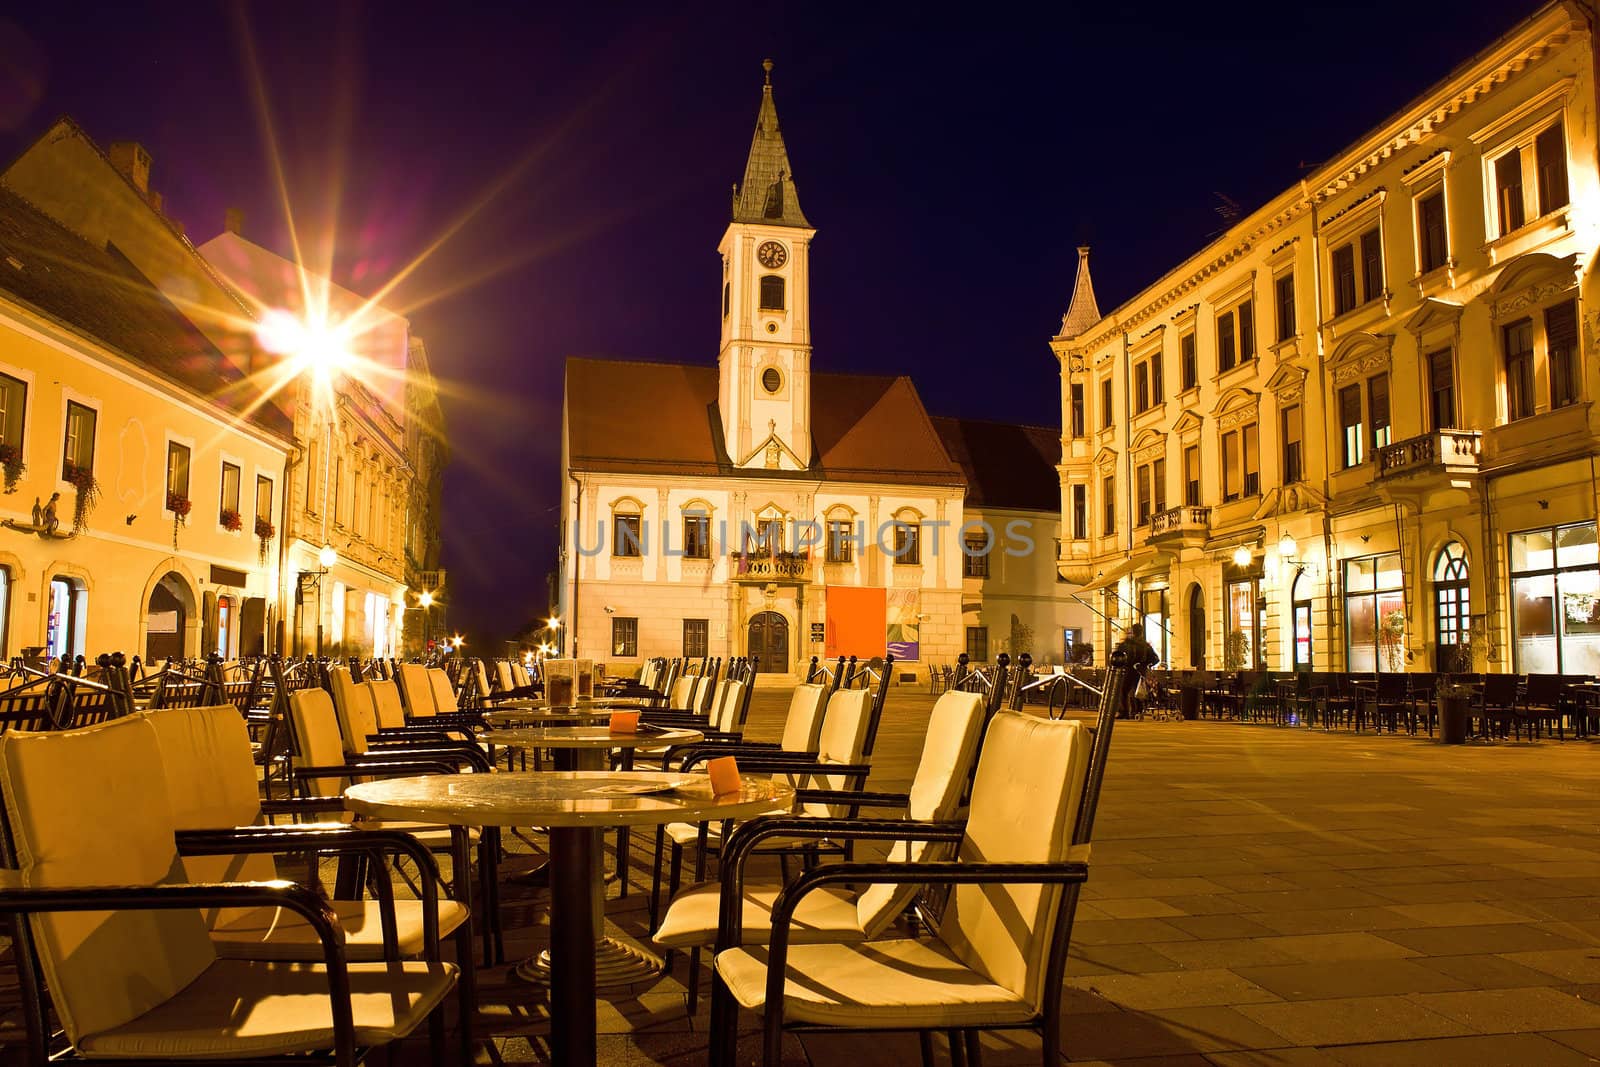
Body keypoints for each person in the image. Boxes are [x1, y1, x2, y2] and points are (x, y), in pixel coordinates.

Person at [1113, 625, 1159, 719]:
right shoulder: (1145, 645)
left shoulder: (1127, 644)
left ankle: (1124, 712)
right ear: (1141, 632)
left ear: (1133, 632)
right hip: (1140, 670)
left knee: (1124, 690)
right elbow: (1155, 659)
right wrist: (1146, 665)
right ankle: (1138, 711)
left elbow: (1117, 656)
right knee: (1138, 690)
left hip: (1128, 670)